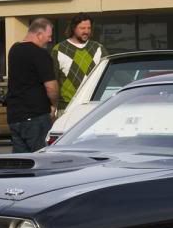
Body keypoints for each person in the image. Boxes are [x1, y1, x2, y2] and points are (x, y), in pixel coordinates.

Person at [6, 17, 58, 153]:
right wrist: (54, 105)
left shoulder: (14, 50)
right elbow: (51, 87)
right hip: (36, 116)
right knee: (41, 160)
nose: (50, 40)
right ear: (39, 34)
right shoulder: (41, 54)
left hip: (15, 116)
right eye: (49, 36)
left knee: (21, 163)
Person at [51, 13, 107, 111]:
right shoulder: (59, 50)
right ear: (73, 28)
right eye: (82, 28)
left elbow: (108, 74)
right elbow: (52, 80)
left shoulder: (98, 48)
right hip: (66, 108)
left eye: (89, 28)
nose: (86, 31)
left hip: (92, 105)